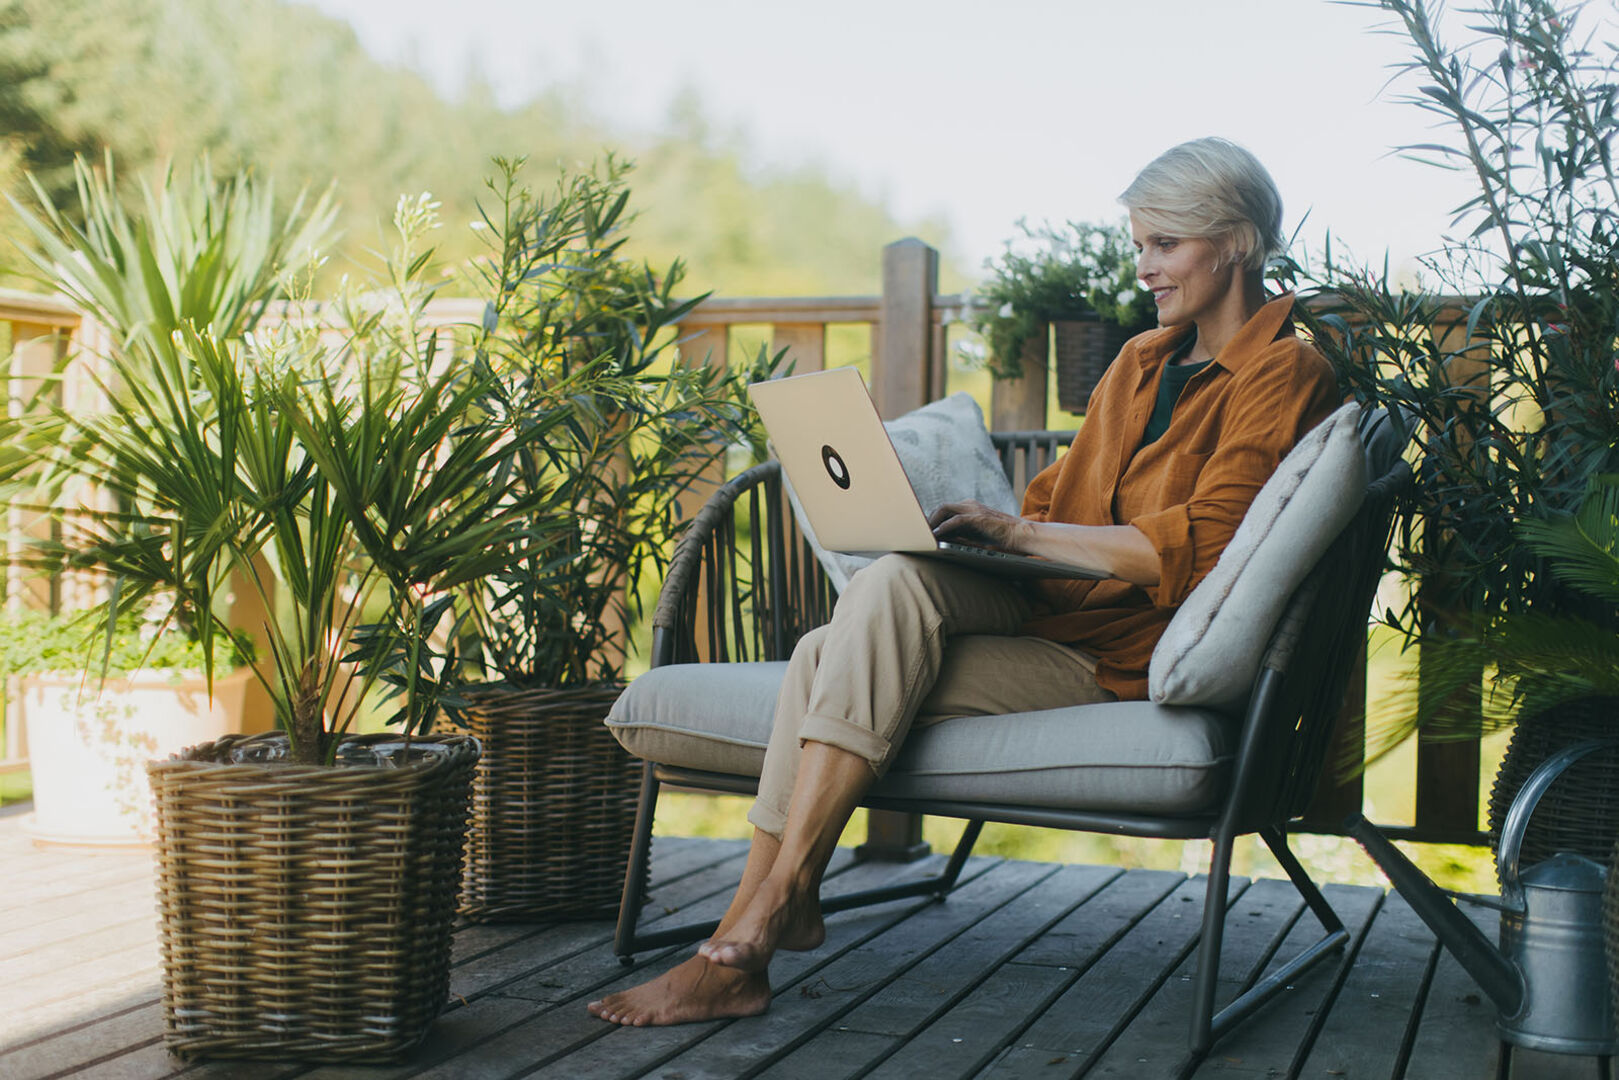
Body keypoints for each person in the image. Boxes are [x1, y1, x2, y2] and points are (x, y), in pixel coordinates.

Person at [587, 137, 1340, 1027]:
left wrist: (1021, 532)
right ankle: (757, 926)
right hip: (1040, 599)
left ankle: (744, 937)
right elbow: (1058, 500)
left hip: (1116, 646)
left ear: (1238, 241)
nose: (1144, 268)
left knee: (827, 651)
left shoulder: (1285, 372)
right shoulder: (1139, 361)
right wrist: (976, 528)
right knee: (899, 577)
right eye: (1138, 245)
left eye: (1163, 245)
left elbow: (1202, 549)